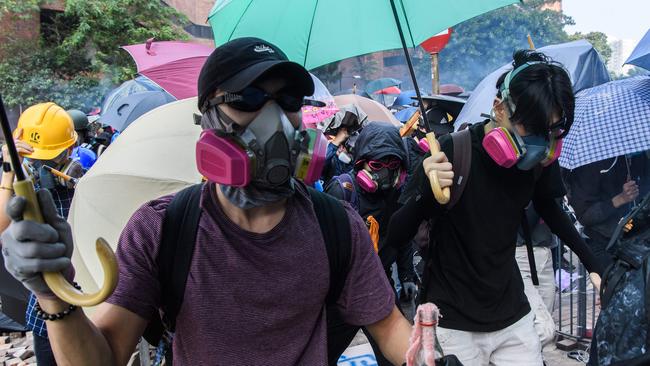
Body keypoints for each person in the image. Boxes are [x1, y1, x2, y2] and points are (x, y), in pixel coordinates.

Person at [1, 37, 413, 366]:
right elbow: (103, 357)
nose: (272, 119)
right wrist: (53, 295)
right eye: (247, 99)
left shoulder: (336, 225)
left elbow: (391, 329)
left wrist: (426, 353)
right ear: (208, 118)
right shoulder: (162, 229)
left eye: (288, 102)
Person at [385, 50, 605, 366]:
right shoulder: (451, 152)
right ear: (499, 108)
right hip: (453, 321)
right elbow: (396, 233)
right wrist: (427, 194)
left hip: (513, 314)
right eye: (532, 127)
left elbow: (552, 210)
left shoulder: (538, 165)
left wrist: (594, 266)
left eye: (552, 130)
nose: (542, 143)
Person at [325, 122, 417, 365]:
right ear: (361, 163)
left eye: (393, 165)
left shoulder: (397, 194)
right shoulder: (342, 190)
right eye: (377, 165)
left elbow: (402, 236)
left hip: (378, 282)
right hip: (340, 292)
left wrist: (407, 275)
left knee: (397, 354)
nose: (385, 172)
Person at [0, 102, 82, 366]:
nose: (40, 167)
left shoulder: (82, 187)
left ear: (70, 151)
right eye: (33, 158)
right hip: (43, 314)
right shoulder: (16, 192)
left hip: (86, 307)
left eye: (51, 157)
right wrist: (10, 175)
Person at [564, 152, 650, 267]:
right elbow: (585, 216)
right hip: (604, 244)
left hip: (635, 241)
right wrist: (620, 199)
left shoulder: (636, 157)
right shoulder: (590, 164)